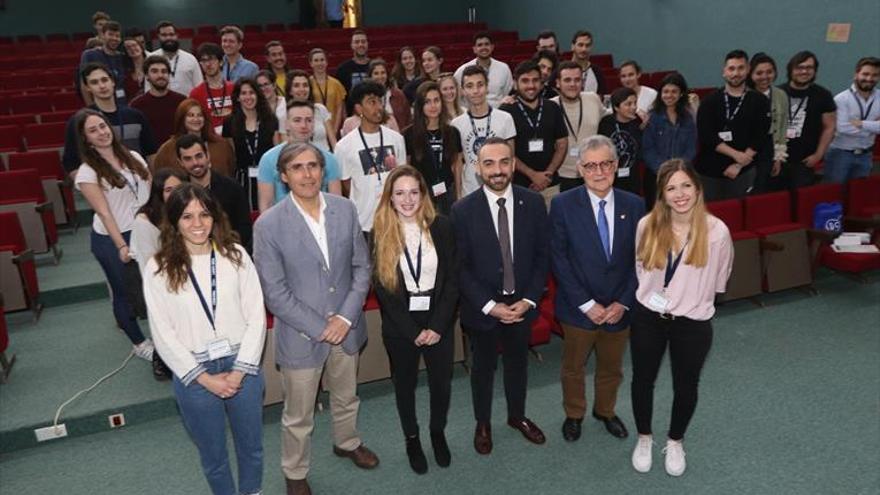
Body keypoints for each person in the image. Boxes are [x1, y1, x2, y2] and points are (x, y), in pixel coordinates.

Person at [252, 143, 378, 495]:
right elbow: (274, 292)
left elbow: (361, 268)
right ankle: (295, 472)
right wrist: (323, 326)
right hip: (302, 335)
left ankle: (347, 442)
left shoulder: (345, 208)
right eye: (297, 168)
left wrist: (345, 317)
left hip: (347, 327)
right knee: (298, 414)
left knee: (347, 395)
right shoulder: (268, 225)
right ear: (284, 175)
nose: (307, 174)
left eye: (313, 166)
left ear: (324, 171)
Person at [143, 183, 266, 495]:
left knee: (252, 449)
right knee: (214, 457)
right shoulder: (158, 267)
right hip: (194, 372)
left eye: (204, 214)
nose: (197, 224)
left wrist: (239, 371)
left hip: (243, 364)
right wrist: (205, 380)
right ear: (173, 222)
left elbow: (256, 316)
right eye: (187, 217)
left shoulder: (235, 255)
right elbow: (162, 333)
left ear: (215, 217)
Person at [630, 159, 733, 477]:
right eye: (671, 188)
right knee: (642, 380)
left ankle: (675, 440)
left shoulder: (717, 232)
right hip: (649, 316)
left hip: (693, 322)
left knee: (686, 385)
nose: (680, 194)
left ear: (698, 188)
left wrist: (686, 298)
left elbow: (719, 282)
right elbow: (640, 271)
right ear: (661, 194)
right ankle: (644, 437)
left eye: (686, 185)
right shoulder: (647, 225)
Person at [451, 137, 550, 455]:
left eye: (504, 162)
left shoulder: (533, 203)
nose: (497, 170)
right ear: (478, 169)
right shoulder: (462, 210)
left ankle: (517, 416)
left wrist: (530, 299)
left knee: (518, 364)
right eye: (489, 163)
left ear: (513, 164)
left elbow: (541, 257)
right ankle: (483, 423)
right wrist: (491, 306)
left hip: (522, 305)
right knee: (482, 369)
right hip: (483, 309)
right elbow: (460, 267)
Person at [550, 135, 645, 443]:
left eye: (605, 163)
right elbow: (559, 259)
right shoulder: (563, 205)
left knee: (612, 367)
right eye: (591, 166)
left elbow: (642, 260)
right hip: (579, 309)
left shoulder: (634, 204)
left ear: (616, 166)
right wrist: (586, 303)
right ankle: (574, 413)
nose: (599, 171)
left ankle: (605, 411)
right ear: (580, 170)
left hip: (620, 307)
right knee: (574, 367)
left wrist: (624, 302)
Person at [371, 165, 458, 474]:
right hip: (400, 326)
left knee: (441, 385)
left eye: (413, 192)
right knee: (404, 386)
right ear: (390, 198)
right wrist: (412, 330)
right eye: (399, 193)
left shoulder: (443, 226)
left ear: (423, 195)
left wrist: (436, 326)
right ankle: (411, 438)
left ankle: (437, 432)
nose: (407, 200)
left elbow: (453, 281)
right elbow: (383, 290)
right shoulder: (380, 232)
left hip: (439, 321)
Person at [72, 109, 154, 361]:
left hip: (142, 230)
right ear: (86, 139)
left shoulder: (134, 157)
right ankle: (139, 343)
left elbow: (150, 192)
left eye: (103, 126)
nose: (101, 132)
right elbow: (105, 213)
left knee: (153, 288)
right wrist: (121, 246)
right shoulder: (87, 172)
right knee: (125, 292)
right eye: (93, 130)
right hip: (113, 238)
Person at [130, 167, 188, 380]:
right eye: (168, 190)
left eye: (179, 189)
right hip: (162, 279)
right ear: (158, 193)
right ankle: (161, 356)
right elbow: (148, 267)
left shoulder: (191, 210)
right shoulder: (144, 221)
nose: (174, 194)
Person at [696, 50, 769, 201]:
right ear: (724, 72)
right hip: (710, 171)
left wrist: (738, 165)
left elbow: (760, 136)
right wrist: (736, 155)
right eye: (731, 68)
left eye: (740, 68)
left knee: (739, 215)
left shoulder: (760, 101)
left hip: (743, 171)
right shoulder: (709, 101)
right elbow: (706, 136)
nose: (736, 73)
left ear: (748, 70)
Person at [63, 63, 158, 178]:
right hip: (103, 186)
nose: (102, 86)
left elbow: (151, 154)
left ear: (112, 82)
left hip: (139, 182)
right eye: (94, 82)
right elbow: (71, 163)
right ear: (88, 87)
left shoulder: (136, 116)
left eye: (104, 80)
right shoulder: (79, 121)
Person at [337, 80, 408, 233]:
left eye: (380, 102)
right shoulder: (344, 146)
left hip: (396, 219)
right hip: (364, 223)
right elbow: (346, 184)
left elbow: (402, 175)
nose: (378, 107)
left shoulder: (396, 139)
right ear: (358, 108)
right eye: (372, 102)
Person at [501, 60, 568, 204]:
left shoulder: (553, 107)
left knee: (552, 225)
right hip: (519, 186)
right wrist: (533, 175)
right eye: (525, 81)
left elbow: (562, 144)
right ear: (515, 83)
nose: (531, 86)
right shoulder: (506, 111)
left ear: (542, 82)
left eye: (535, 80)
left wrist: (546, 176)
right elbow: (506, 152)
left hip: (550, 184)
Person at [257, 100, 343, 212]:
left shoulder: (329, 159)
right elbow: (265, 205)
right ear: (286, 124)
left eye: (309, 120)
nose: (304, 125)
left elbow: (337, 203)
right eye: (297, 120)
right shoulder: (268, 159)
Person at [176, 134, 252, 250]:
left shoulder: (232, 188)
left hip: (229, 252)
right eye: (188, 159)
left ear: (207, 155)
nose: (195, 162)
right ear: (180, 162)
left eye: (199, 156)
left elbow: (244, 228)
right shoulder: (178, 195)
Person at [450, 66, 517, 197]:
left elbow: (511, 158)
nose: (475, 91)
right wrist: (458, 195)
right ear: (463, 91)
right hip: (469, 192)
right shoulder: (456, 124)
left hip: (499, 189)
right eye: (469, 86)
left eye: (480, 85)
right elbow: (457, 163)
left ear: (487, 88)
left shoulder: (505, 118)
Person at [404, 81, 464, 214]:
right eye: (427, 102)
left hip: (447, 193)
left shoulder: (452, 132)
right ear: (420, 105)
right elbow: (407, 167)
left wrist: (459, 195)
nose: (433, 106)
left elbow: (457, 165)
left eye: (436, 100)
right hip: (420, 195)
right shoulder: (409, 134)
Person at [780, 51, 837, 188]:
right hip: (777, 160)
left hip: (805, 161)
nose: (804, 71)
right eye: (799, 67)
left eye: (809, 67)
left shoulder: (823, 95)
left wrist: (818, 155)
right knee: (775, 201)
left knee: (801, 202)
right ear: (791, 69)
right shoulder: (777, 93)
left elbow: (830, 127)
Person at [222, 78, 281, 210]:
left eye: (251, 92)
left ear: (257, 95)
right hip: (242, 178)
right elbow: (230, 155)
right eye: (243, 93)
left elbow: (276, 153)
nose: (248, 97)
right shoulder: (229, 123)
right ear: (237, 97)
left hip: (267, 177)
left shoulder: (270, 120)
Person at [643, 73, 698, 208]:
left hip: (682, 176)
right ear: (660, 94)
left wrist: (679, 170)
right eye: (665, 91)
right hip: (656, 176)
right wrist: (664, 171)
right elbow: (648, 149)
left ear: (681, 94)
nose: (669, 95)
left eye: (674, 91)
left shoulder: (687, 118)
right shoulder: (652, 117)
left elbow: (691, 148)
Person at [552, 61, 605, 192]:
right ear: (558, 83)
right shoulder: (549, 106)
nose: (572, 84)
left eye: (577, 80)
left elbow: (612, 115)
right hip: (561, 175)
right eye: (567, 80)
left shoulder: (593, 99)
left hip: (591, 173)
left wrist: (638, 111)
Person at [824, 57, 880, 183]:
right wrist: (873, 127)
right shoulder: (842, 99)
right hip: (840, 154)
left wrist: (861, 124)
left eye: (875, 75)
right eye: (865, 74)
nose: (869, 79)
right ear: (856, 74)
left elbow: (850, 127)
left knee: (858, 195)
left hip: (866, 155)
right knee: (834, 193)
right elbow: (842, 128)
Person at [153, 98, 236, 177]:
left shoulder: (222, 145)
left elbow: (231, 171)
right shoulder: (167, 150)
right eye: (190, 115)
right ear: (182, 119)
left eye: (199, 115)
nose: (196, 119)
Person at [747, 53, 789, 193]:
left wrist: (778, 157)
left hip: (768, 148)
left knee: (762, 188)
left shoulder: (780, 95)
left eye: (769, 72)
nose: (764, 77)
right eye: (759, 73)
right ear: (750, 74)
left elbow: (782, 127)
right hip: (746, 149)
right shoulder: (744, 94)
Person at [130, 55, 187, 144]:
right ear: (147, 76)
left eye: (164, 71)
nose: (160, 75)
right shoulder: (136, 106)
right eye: (154, 71)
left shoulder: (182, 101)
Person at [599, 87, 643, 194]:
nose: (633, 107)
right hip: (611, 179)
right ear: (616, 107)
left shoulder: (638, 122)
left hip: (633, 178)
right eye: (628, 104)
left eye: (635, 103)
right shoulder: (606, 123)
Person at [340, 61, 405, 135]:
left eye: (379, 101)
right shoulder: (350, 123)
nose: (380, 76)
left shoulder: (390, 120)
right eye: (372, 102)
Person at [452, 31, 513, 109]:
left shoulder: (504, 68)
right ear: (474, 49)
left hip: (497, 112)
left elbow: (506, 92)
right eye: (480, 45)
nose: (483, 47)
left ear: (492, 47)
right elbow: (457, 95)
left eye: (486, 44)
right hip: (471, 112)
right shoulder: (462, 70)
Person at [190, 43, 236, 133]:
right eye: (204, 60)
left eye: (211, 59)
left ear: (221, 62)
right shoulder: (195, 93)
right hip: (210, 140)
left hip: (235, 137)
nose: (208, 64)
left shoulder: (234, 88)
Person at [149, 20, 203, 96]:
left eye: (171, 34)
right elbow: (148, 88)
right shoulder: (151, 58)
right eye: (164, 35)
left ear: (177, 35)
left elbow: (199, 86)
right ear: (159, 36)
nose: (168, 38)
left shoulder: (190, 59)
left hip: (187, 105)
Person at [79, 21, 127, 105]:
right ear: (103, 36)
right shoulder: (90, 55)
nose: (114, 38)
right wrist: (91, 107)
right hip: (99, 105)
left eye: (117, 36)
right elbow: (84, 84)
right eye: (111, 34)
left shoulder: (123, 57)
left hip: (122, 104)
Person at [287, 69, 336, 151]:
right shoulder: (285, 113)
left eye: (305, 85)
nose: (302, 89)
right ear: (290, 91)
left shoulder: (320, 109)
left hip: (325, 158)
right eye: (296, 85)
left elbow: (333, 140)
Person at [308, 48, 347, 133]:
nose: (319, 63)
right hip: (314, 128)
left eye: (322, 60)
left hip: (333, 125)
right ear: (311, 63)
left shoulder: (336, 83)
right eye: (316, 60)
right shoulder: (308, 83)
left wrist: (335, 130)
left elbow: (340, 108)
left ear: (326, 62)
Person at [570, 30, 607, 94]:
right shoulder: (561, 70)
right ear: (573, 46)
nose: (584, 49)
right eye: (580, 45)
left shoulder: (597, 72)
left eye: (587, 45)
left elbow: (601, 97)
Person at [122, 35, 145, 99]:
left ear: (141, 47)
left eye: (134, 45)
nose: (132, 48)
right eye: (128, 47)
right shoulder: (125, 72)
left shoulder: (152, 65)